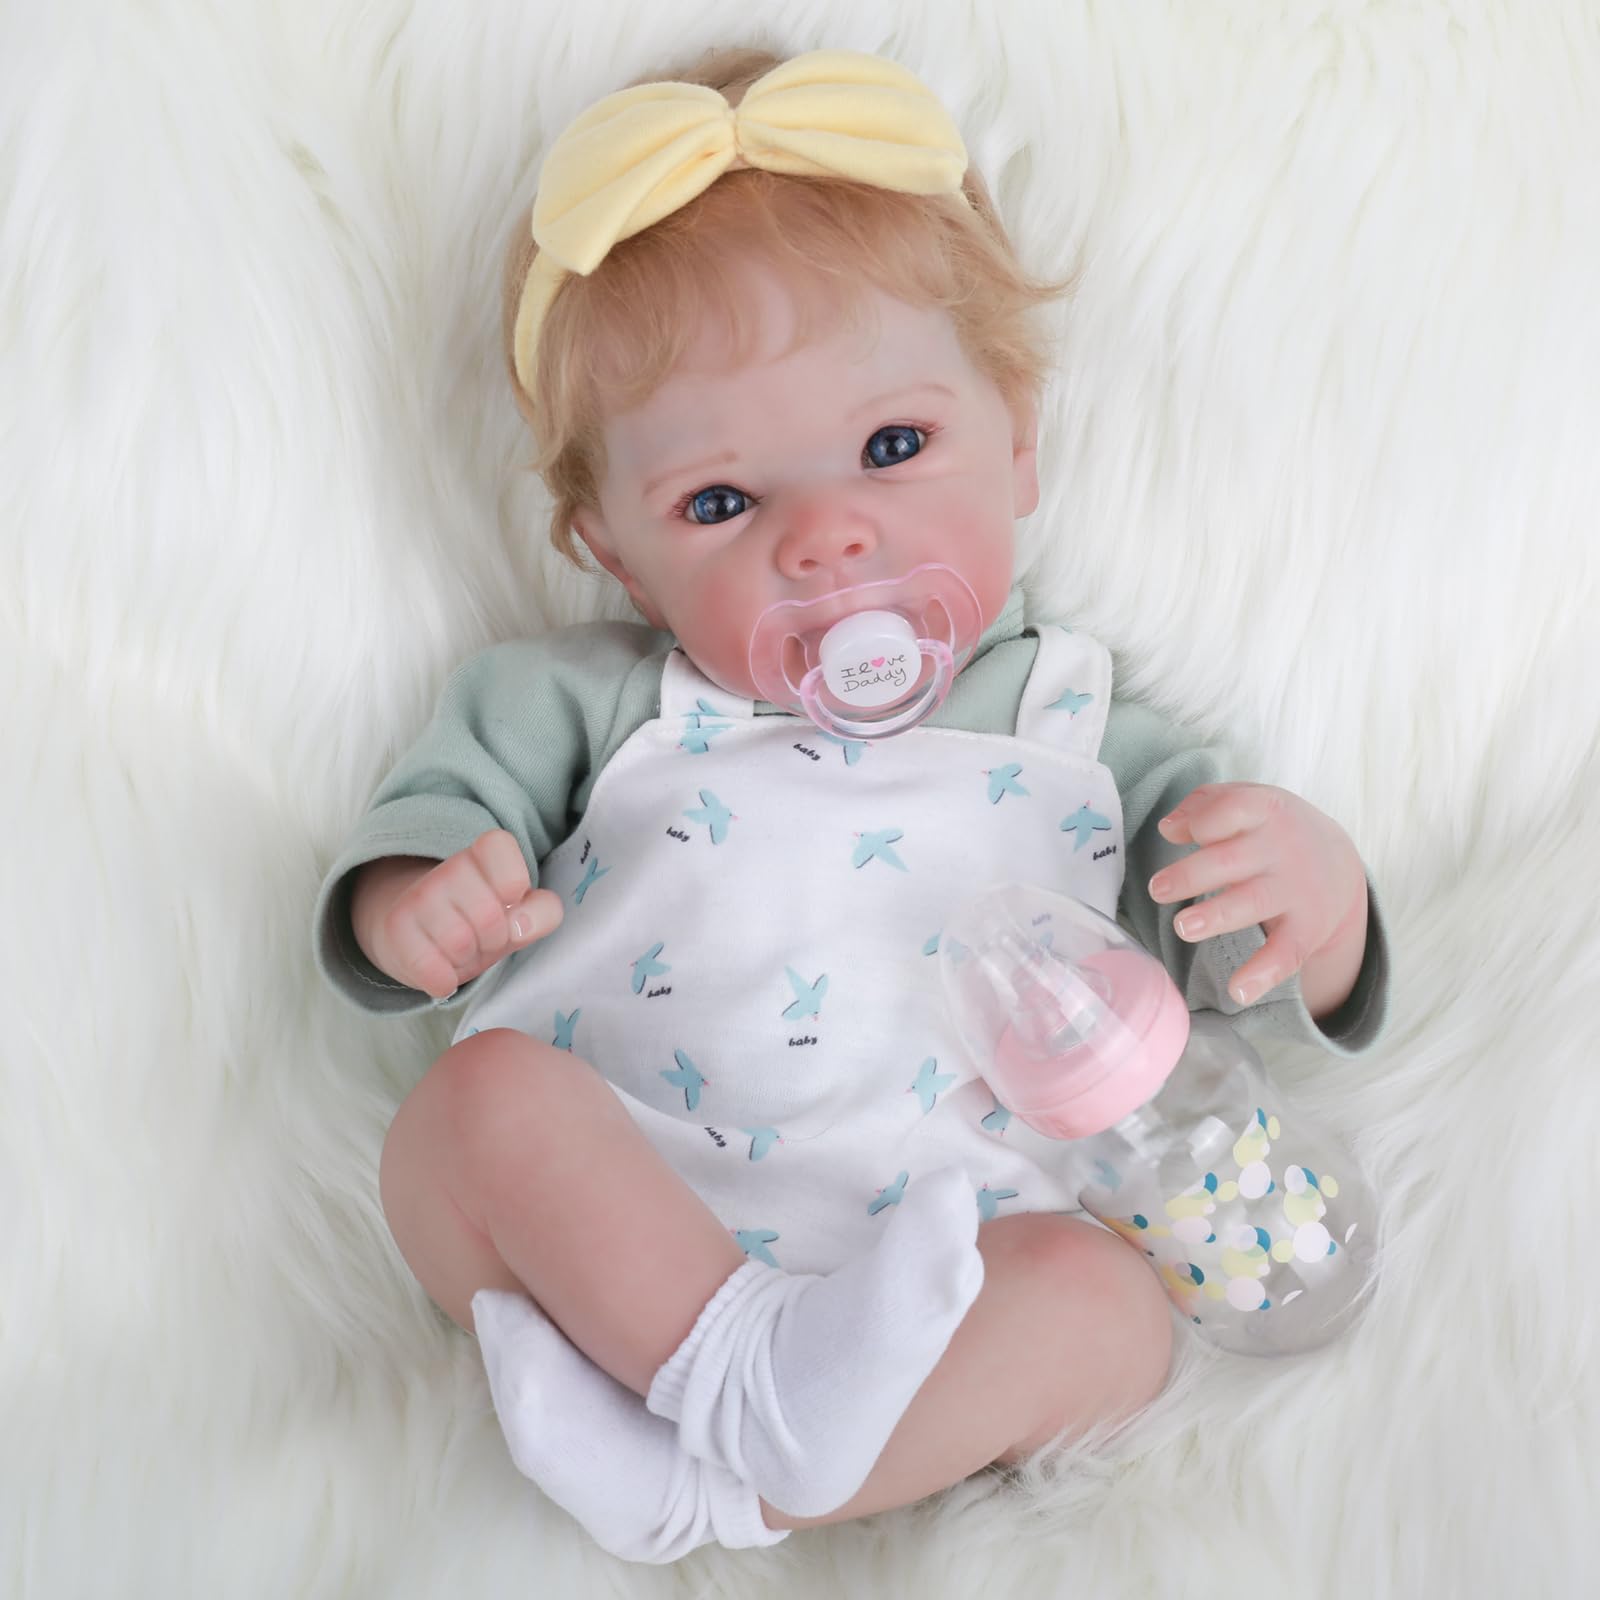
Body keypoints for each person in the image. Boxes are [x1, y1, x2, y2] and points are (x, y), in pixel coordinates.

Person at [312, 45, 1391, 1562]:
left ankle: (726, 1480)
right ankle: (737, 1390)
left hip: (950, 1266)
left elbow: (1231, 963)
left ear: (1019, 442)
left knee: (1111, 1314)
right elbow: (423, 837)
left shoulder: (1086, 728)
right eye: (720, 504)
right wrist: (419, 908)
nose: (828, 539)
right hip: (629, 1221)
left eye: (894, 449)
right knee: (462, 1114)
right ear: (617, 557)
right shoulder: (586, 699)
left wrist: (1315, 905)